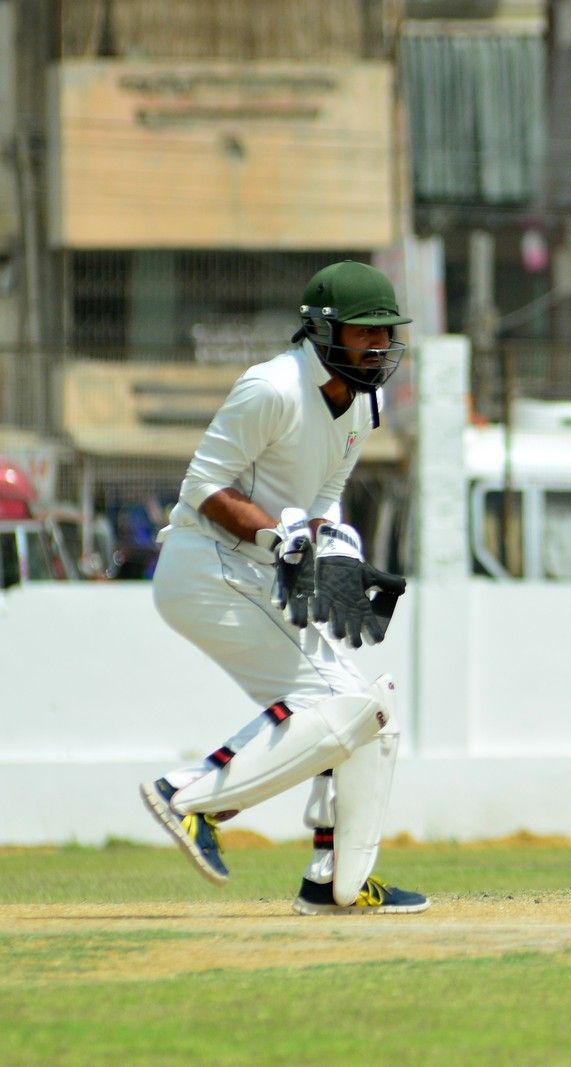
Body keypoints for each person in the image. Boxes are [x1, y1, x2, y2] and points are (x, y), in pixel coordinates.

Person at [140, 260, 428, 915]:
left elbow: (322, 498)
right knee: (339, 706)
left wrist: (337, 556)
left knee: (370, 718)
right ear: (323, 331)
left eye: (385, 333)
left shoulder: (364, 404)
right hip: (207, 565)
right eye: (364, 332)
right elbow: (203, 487)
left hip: (258, 573)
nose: (379, 346)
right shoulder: (271, 388)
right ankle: (188, 795)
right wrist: (282, 539)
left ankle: (333, 880)